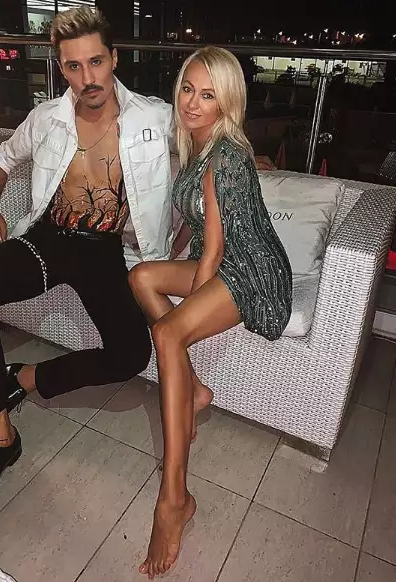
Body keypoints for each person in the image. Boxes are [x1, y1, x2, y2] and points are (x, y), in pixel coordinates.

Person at [0, 6, 175, 521]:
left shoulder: (154, 118)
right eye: (74, 66)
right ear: (61, 68)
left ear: (114, 59)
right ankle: (0, 439)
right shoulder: (47, 117)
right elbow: (0, 159)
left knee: (131, 354)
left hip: (106, 249)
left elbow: (205, 144)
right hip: (49, 238)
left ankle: (24, 378)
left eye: (96, 62)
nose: (87, 77)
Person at [129, 46, 293, 578]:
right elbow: (196, 227)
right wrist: (166, 258)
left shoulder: (227, 156)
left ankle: (174, 499)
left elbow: (217, 251)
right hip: (219, 258)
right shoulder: (195, 144)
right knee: (142, 276)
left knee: (168, 335)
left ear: (227, 103)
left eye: (208, 95)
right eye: (187, 89)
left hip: (252, 270)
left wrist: (184, 319)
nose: (192, 103)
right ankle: (195, 390)